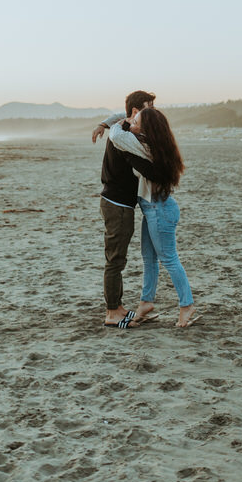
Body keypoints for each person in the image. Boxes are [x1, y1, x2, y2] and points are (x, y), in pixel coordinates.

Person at [108, 107, 199, 328]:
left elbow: (115, 135)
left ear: (148, 129)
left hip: (159, 209)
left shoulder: (142, 145)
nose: (132, 124)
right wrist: (131, 119)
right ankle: (146, 303)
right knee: (149, 260)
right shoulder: (154, 145)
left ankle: (187, 306)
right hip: (153, 209)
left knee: (169, 259)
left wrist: (119, 122)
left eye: (136, 121)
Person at [91, 91, 156, 328]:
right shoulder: (124, 135)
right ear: (137, 112)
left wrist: (105, 123)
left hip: (118, 203)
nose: (153, 113)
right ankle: (112, 313)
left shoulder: (127, 127)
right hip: (117, 204)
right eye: (149, 108)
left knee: (118, 258)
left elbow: (123, 115)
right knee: (115, 260)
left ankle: (117, 307)